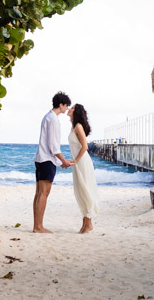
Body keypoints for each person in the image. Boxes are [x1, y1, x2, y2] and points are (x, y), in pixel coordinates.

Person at [33, 91, 72, 233]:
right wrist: (64, 160)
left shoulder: (47, 117)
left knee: (39, 193)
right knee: (44, 193)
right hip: (46, 159)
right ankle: (38, 227)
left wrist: (59, 161)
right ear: (60, 105)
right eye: (66, 105)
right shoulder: (53, 119)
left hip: (42, 159)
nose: (67, 108)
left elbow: (50, 145)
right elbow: (53, 146)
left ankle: (37, 226)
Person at [67, 103, 99, 234]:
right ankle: (85, 224)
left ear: (76, 112)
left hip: (82, 162)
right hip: (78, 163)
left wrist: (75, 160)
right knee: (80, 192)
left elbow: (84, 146)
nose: (69, 109)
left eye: (72, 108)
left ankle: (88, 224)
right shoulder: (73, 127)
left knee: (86, 190)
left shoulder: (78, 127)